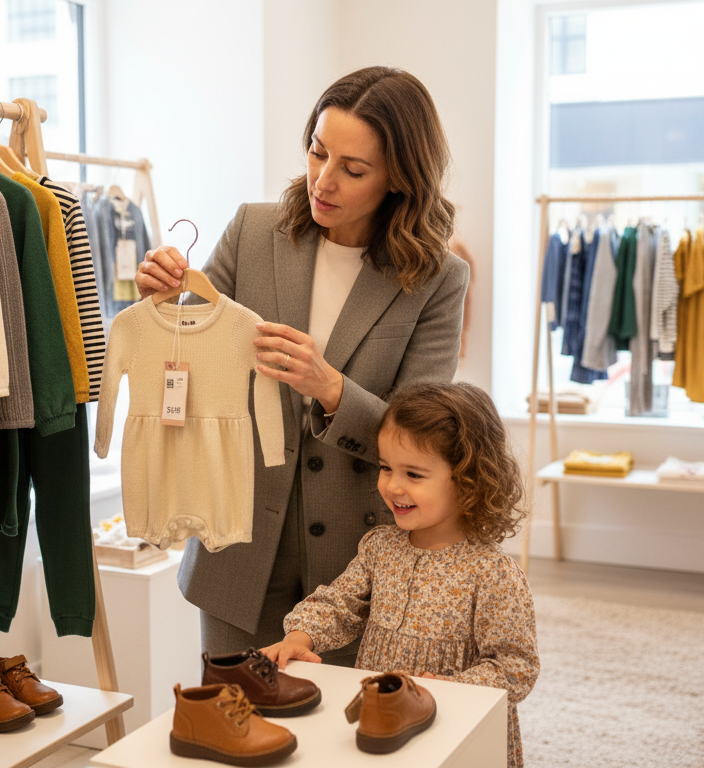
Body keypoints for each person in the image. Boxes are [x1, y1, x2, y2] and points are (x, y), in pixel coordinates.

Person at [136, 66, 470, 664]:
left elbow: (424, 437)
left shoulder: (438, 279)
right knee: (227, 727)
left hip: (357, 562)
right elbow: (185, 353)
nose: (323, 180)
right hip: (236, 542)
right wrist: (160, 299)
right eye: (317, 153)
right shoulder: (253, 230)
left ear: (399, 177)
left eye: (353, 168)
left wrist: (332, 388)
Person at [262, 382, 539, 768]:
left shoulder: (492, 573)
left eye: (414, 474)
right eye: (386, 467)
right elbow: (339, 605)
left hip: (452, 724)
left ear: (468, 478)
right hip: (380, 717)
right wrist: (299, 636)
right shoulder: (379, 547)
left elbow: (516, 667)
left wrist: (451, 689)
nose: (393, 486)